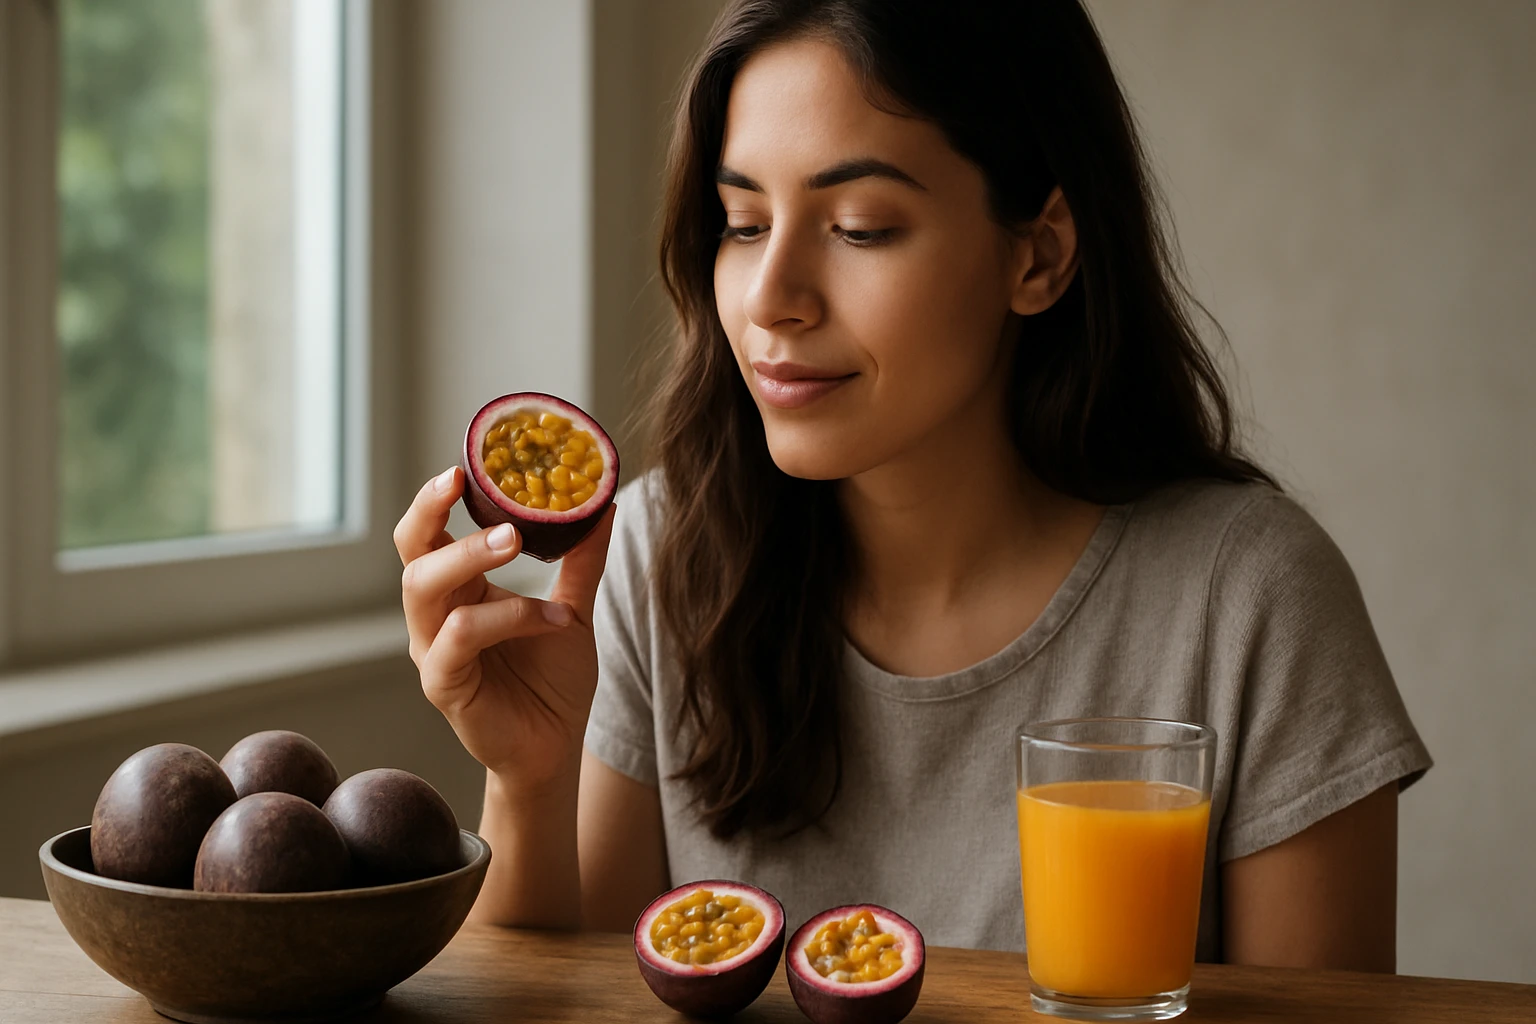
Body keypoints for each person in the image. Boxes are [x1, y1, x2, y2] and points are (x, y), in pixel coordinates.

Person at [394, 0, 1430, 971]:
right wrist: (530, 779)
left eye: (860, 228)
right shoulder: (657, 552)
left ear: (1041, 255)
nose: (771, 298)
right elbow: (581, 994)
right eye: (743, 223)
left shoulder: (1253, 598)